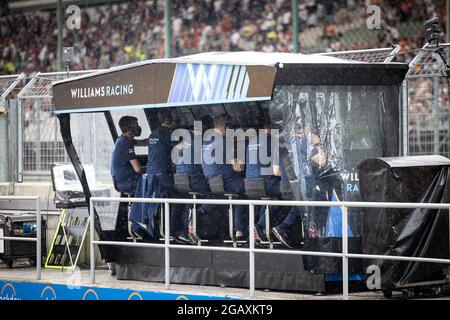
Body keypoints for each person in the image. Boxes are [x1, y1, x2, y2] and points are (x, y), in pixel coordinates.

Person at [201, 114, 248, 240]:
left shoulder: (206, 141)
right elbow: (236, 167)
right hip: (227, 181)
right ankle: (240, 230)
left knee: (220, 197)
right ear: (226, 128)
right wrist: (243, 165)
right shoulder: (223, 141)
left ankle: (201, 210)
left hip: (212, 182)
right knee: (248, 190)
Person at [147, 110, 190, 244]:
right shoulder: (169, 135)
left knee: (168, 199)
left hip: (151, 175)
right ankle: (177, 231)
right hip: (163, 175)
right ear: (170, 120)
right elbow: (178, 153)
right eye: (175, 117)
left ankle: (162, 230)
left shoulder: (153, 134)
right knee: (181, 196)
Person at [111, 116, 147, 193]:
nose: (138, 127)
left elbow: (142, 142)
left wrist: (155, 139)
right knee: (154, 182)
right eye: (136, 125)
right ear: (129, 128)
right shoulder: (125, 143)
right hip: (126, 182)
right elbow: (137, 168)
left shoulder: (123, 140)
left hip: (121, 181)